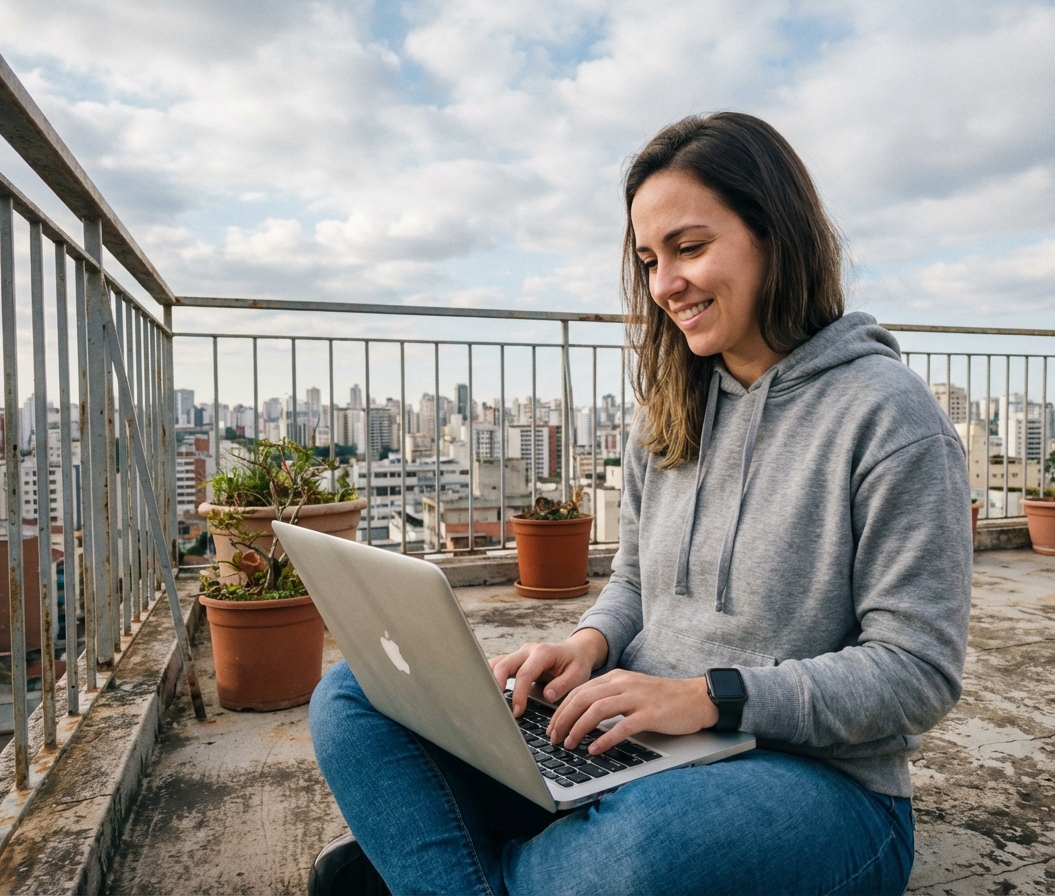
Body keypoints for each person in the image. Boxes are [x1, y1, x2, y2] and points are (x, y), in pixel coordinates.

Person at [309, 112, 972, 895]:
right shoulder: (670, 410)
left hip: (814, 779)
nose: (665, 286)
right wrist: (588, 646)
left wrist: (707, 698)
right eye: (651, 259)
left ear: (775, 233)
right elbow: (634, 583)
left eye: (690, 249)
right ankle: (505, 871)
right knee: (356, 694)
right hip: (635, 739)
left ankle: (452, 868)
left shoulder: (888, 416)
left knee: (638, 861)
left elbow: (916, 672)